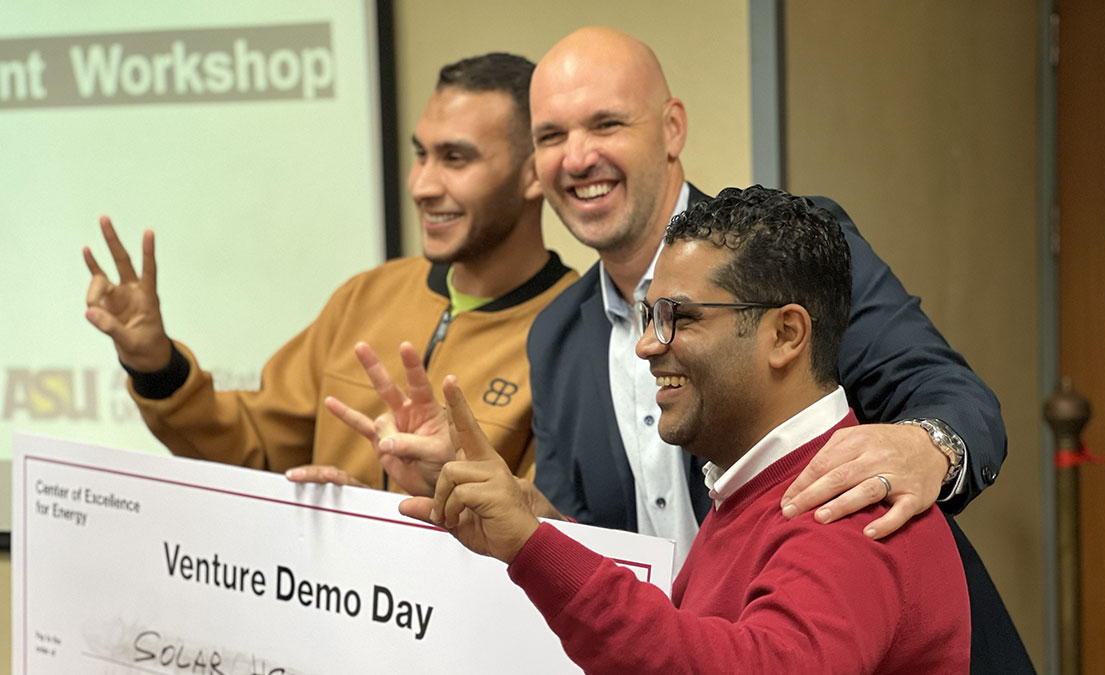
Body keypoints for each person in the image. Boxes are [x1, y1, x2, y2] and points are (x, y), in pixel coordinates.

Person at [525, 27, 1034, 672]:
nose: (576, 158)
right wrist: (513, 523)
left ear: (672, 128)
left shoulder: (786, 253)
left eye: (605, 124)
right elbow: (591, 543)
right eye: (550, 137)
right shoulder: (555, 338)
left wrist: (927, 445)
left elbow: (949, 392)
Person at [402, 186, 971, 674]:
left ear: (785, 335)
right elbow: (681, 635)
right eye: (650, 317)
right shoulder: (749, 486)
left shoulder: (850, 503)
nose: (648, 344)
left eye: (681, 318)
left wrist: (533, 547)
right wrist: (543, 528)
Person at [82, 53, 576, 495]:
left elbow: (555, 535)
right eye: (421, 154)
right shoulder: (367, 295)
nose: (422, 185)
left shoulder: (580, 330)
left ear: (534, 172)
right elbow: (254, 449)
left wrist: (383, 517)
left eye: (455, 159)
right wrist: (156, 366)